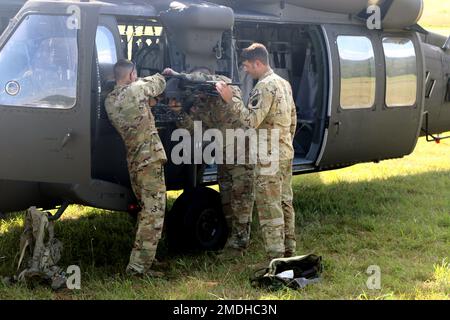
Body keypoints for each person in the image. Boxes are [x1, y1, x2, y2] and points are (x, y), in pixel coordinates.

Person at [163, 67, 255, 258]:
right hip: (224, 157)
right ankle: (233, 240)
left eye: (198, 86)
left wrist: (179, 74)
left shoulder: (226, 87)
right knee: (227, 201)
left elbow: (204, 79)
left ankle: (239, 246)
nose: (197, 92)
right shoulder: (202, 103)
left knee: (242, 202)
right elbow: (196, 129)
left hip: (241, 155)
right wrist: (179, 113)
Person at [216, 43, 297, 260]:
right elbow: (292, 121)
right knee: (284, 201)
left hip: (268, 156)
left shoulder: (263, 87)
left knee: (269, 207)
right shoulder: (283, 83)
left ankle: (276, 259)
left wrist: (230, 99)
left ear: (258, 63)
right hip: (284, 153)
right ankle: (289, 249)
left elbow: (250, 121)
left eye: (247, 66)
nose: (245, 70)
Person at [105, 59, 167, 277]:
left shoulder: (110, 100)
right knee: (154, 211)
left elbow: (135, 109)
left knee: (145, 209)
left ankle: (146, 258)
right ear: (132, 74)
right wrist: (164, 73)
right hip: (149, 158)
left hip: (134, 160)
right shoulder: (136, 89)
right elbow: (159, 82)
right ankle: (138, 268)